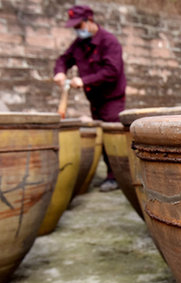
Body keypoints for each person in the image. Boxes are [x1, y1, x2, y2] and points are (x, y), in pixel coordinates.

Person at [54, 5, 126, 192]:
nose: (77, 30)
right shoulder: (79, 44)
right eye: (74, 27)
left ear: (89, 21)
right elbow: (64, 59)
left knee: (112, 135)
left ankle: (116, 177)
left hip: (112, 98)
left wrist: (84, 80)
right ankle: (111, 175)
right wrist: (60, 72)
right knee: (101, 135)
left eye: (79, 25)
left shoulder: (109, 42)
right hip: (95, 99)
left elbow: (112, 71)